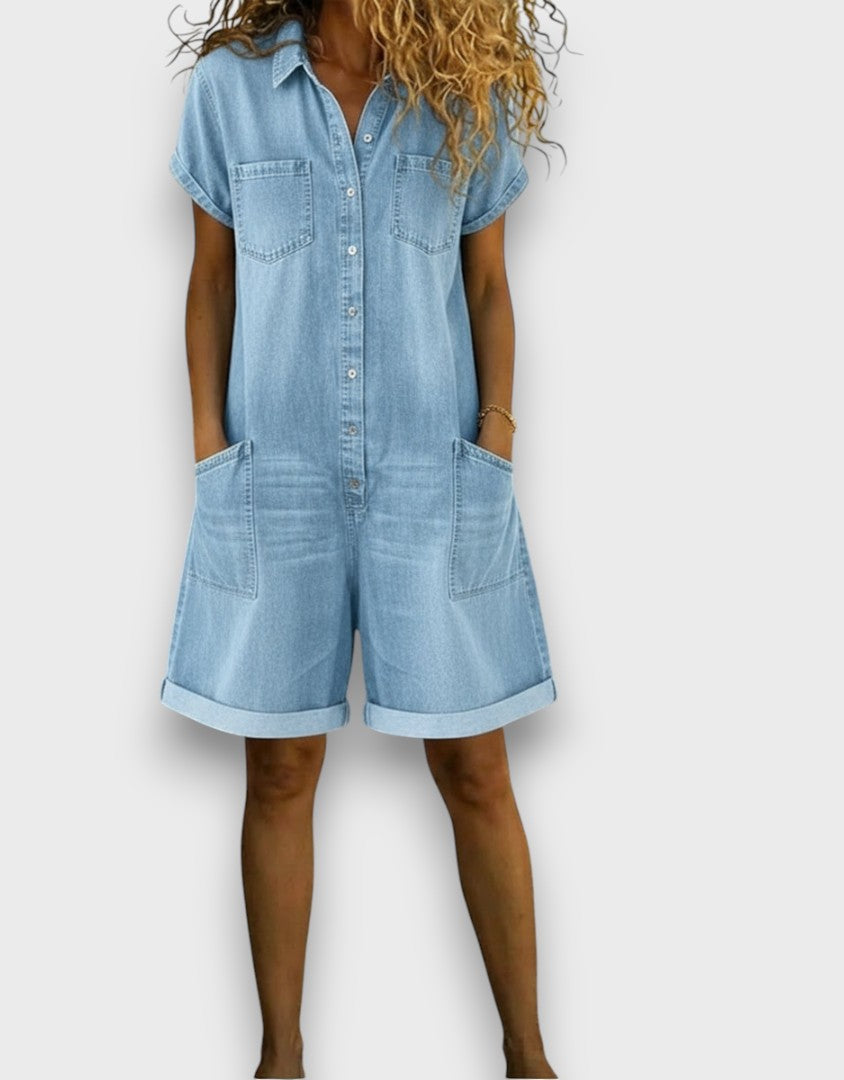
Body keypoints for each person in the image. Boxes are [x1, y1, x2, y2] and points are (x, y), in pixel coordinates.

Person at [161, 2, 565, 1076]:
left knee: (474, 765)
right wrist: (210, 451)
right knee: (280, 768)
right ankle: (280, 1060)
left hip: (433, 475)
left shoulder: (466, 87)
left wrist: (495, 440)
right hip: (275, 476)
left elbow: (488, 282)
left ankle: (530, 1059)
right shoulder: (232, 89)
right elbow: (211, 280)